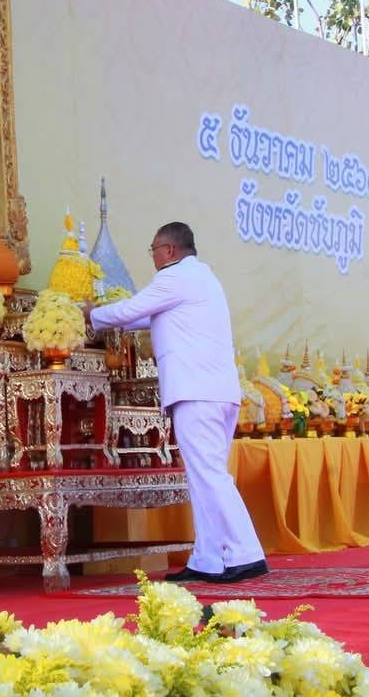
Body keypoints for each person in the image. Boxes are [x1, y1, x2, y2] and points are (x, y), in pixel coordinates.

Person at [83, 222, 267, 584]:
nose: (151, 256)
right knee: (203, 476)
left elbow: (131, 309)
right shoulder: (202, 279)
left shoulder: (175, 277)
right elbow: (143, 317)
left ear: (168, 250)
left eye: (152, 248)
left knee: (209, 475)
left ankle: (246, 552)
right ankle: (209, 557)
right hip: (214, 392)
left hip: (198, 392)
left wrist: (91, 314)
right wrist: (102, 318)